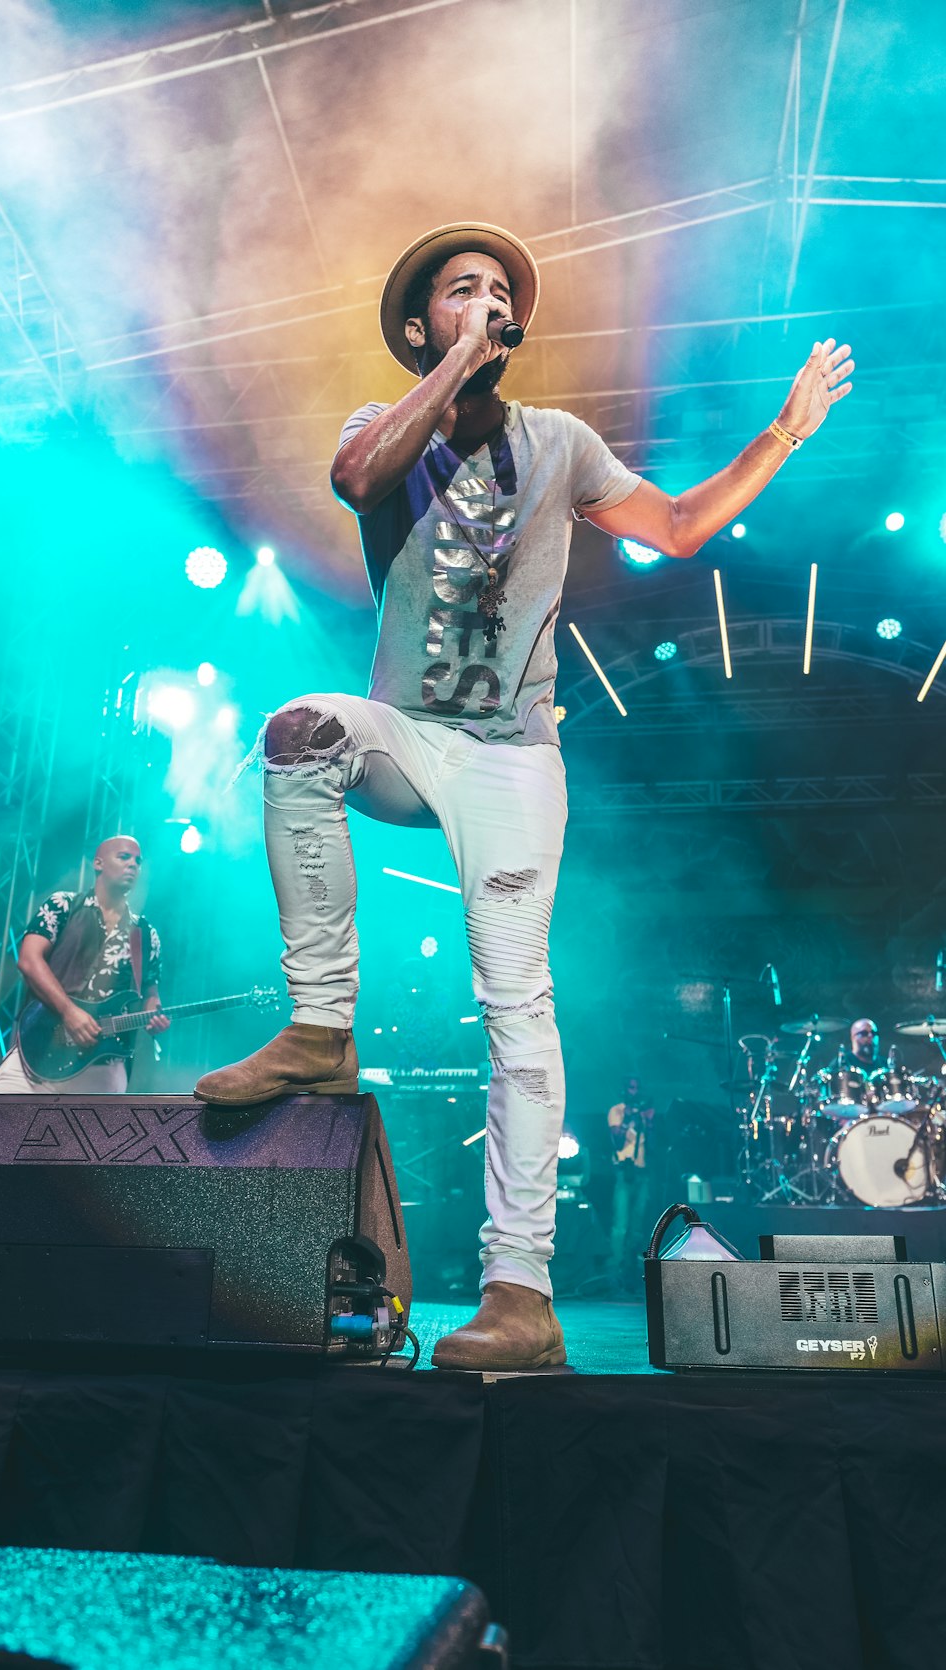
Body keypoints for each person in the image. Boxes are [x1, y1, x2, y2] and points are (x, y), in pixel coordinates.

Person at [194, 221, 854, 1370]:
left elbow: (679, 524)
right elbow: (359, 482)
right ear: (420, 327)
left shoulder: (557, 440)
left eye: (503, 292)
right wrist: (450, 367)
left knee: (517, 1005)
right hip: (410, 737)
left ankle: (522, 1292)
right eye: (464, 290)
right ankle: (319, 1028)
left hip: (510, 759)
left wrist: (782, 435)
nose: (492, 302)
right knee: (299, 730)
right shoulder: (377, 430)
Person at [0, 835, 169, 1094]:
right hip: (38, 1050)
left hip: (102, 1071)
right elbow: (29, 960)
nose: (133, 865)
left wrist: (155, 1013)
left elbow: (150, 992)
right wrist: (68, 1012)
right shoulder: (63, 905)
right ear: (98, 863)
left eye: (138, 861)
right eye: (124, 857)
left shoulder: (145, 933)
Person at [608, 1077, 656, 1292]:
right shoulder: (616, 1111)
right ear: (624, 1090)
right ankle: (615, 1271)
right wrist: (628, 1119)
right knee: (621, 1225)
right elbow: (617, 1141)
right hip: (623, 1171)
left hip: (642, 1172)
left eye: (637, 1088)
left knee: (637, 1226)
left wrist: (649, 1122)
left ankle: (633, 1271)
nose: (634, 1091)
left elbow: (654, 1142)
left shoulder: (645, 1113)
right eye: (630, 1087)